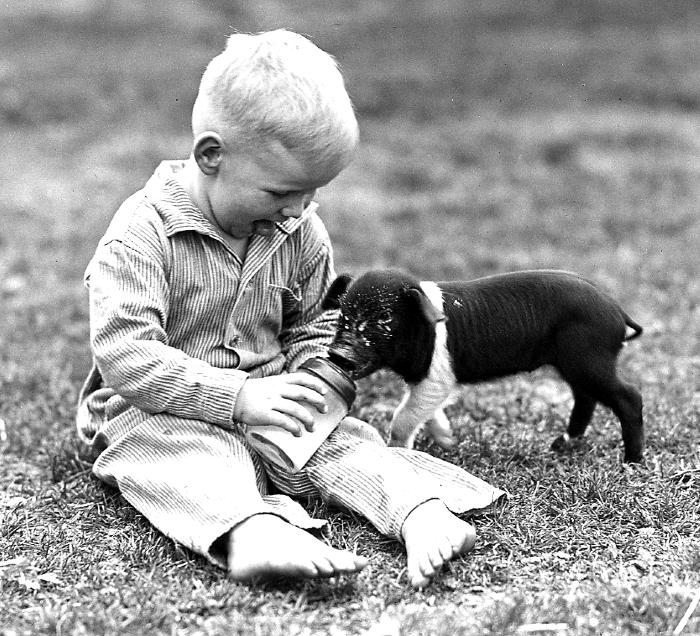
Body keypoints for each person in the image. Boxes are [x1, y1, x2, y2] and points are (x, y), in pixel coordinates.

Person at [76, 29, 506, 588]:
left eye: (310, 194)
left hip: (272, 402)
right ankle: (252, 533)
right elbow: (126, 357)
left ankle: (418, 511)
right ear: (211, 156)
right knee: (175, 456)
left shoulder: (300, 230)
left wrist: (314, 381)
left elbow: (312, 325)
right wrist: (236, 397)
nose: (296, 211)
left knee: (347, 446)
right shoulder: (141, 236)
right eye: (281, 194)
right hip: (162, 409)